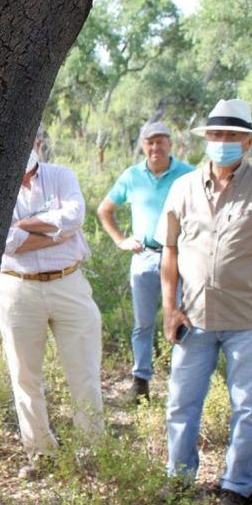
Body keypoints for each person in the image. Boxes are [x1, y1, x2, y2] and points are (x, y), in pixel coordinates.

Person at [157, 99, 252, 505]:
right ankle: (180, 481)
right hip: (194, 319)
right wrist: (169, 308)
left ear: (247, 142)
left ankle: (237, 487)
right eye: (216, 135)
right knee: (181, 404)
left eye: (231, 136)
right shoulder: (183, 187)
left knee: (248, 408)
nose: (222, 142)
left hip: (248, 320)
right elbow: (170, 250)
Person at [0, 141, 104, 480]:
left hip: (68, 282)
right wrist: (54, 233)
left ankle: (91, 453)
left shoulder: (61, 176)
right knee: (24, 375)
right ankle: (40, 453)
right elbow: (2, 240)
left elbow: (73, 217)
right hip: (18, 287)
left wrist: (22, 226)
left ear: (37, 144)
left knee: (85, 372)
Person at [97, 121, 194, 402]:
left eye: (160, 141)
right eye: (150, 142)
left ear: (170, 144)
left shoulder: (188, 174)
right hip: (145, 257)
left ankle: (182, 383)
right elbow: (105, 210)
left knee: (182, 318)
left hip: (181, 257)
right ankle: (141, 384)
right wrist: (120, 240)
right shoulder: (132, 176)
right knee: (143, 324)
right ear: (143, 146)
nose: (155, 147)